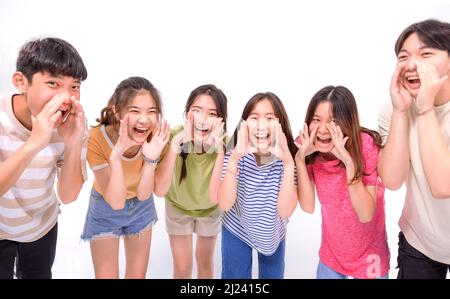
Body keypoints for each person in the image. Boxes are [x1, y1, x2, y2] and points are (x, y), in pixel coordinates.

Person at [0, 37, 88, 279]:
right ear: (21, 82)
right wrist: (35, 143)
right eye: (53, 83)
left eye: (75, 86)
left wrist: (72, 145)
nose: (67, 97)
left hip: (41, 227)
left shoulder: (74, 124)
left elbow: (68, 196)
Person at [378, 19, 450, 279]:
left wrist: (426, 108)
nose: (411, 64)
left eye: (426, 53)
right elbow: (392, 180)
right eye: (403, 56)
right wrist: (400, 111)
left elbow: (443, 185)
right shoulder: (394, 108)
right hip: (419, 241)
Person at [296, 85, 389, 279]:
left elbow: (366, 214)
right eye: (316, 120)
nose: (322, 129)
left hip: (370, 255)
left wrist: (348, 162)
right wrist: (300, 158)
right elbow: (307, 206)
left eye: (333, 121)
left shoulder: (366, 145)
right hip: (332, 254)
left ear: (347, 122)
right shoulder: (306, 148)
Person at [81, 77, 169, 278]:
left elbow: (145, 194)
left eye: (151, 112)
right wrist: (116, 156)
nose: (144, 119)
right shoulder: (95, 138)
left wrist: (150, 160)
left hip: (141, 207)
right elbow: (116, 201)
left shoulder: (155, 138)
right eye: (135, 111)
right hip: (105, 206)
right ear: (116, 111)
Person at [210, 92, 298, 279]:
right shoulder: (235, 152)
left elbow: (285, 211)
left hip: (272, 232)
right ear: (244, 124)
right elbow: (224, 205)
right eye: (254, 118)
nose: (261, 125)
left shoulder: (289, 157)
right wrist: (234, 159)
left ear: (280, 123)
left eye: (270, 118)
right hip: (236, 227)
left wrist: (289, 165)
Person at [154, 84, 227, 278]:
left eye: (212, 113)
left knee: (204, 262)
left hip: (210, 209)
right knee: (182, 267)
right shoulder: (172, 137)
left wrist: (220, 150)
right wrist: (176, 144)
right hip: (178, 206)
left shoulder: (226, 144)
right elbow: (160, 190)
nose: (203, 119)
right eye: (197, 110)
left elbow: (220, 195)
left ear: (222, 120)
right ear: (187, 114)